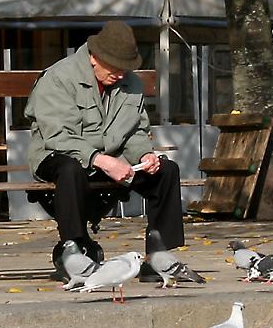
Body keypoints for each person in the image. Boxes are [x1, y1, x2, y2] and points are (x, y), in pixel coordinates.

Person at [24, 20, 184, 281]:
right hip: (56, 154)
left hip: (113, 158)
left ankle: (159, 257)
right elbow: (58, 136)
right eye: (115, 66)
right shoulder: (59, 78)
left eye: (126, 68)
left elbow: (135, 132)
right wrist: (101, 160)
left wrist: (144, 155)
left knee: (167, 170)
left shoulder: (131, 83)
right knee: (70, 168)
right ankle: (74, 253)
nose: (121, 74)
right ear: (95, 58)